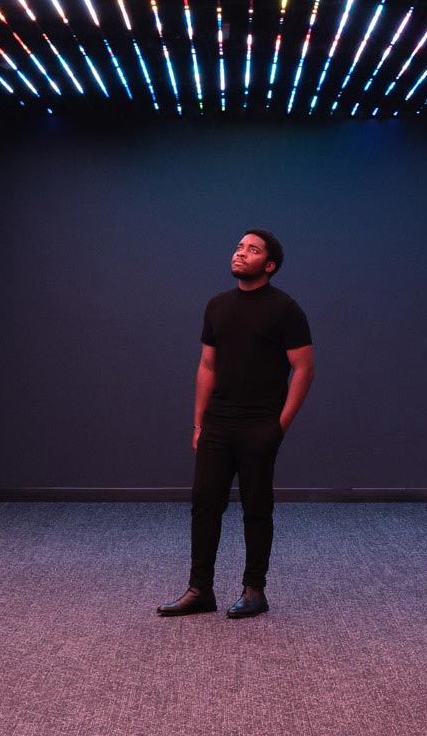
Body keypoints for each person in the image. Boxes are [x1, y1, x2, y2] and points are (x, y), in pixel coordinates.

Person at [156, 229, 314, 620]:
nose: (241, 253)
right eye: (240, 247)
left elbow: (304, 369)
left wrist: (280, 426)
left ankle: (254, 590)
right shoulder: (217, 306)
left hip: (260, 425)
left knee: (257, 508)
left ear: (270, 264)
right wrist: (198, 424)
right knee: (204, 505)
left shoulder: (285, 309)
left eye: (253, 250)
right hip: (217, 425)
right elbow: (207, 366)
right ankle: (200, 590)